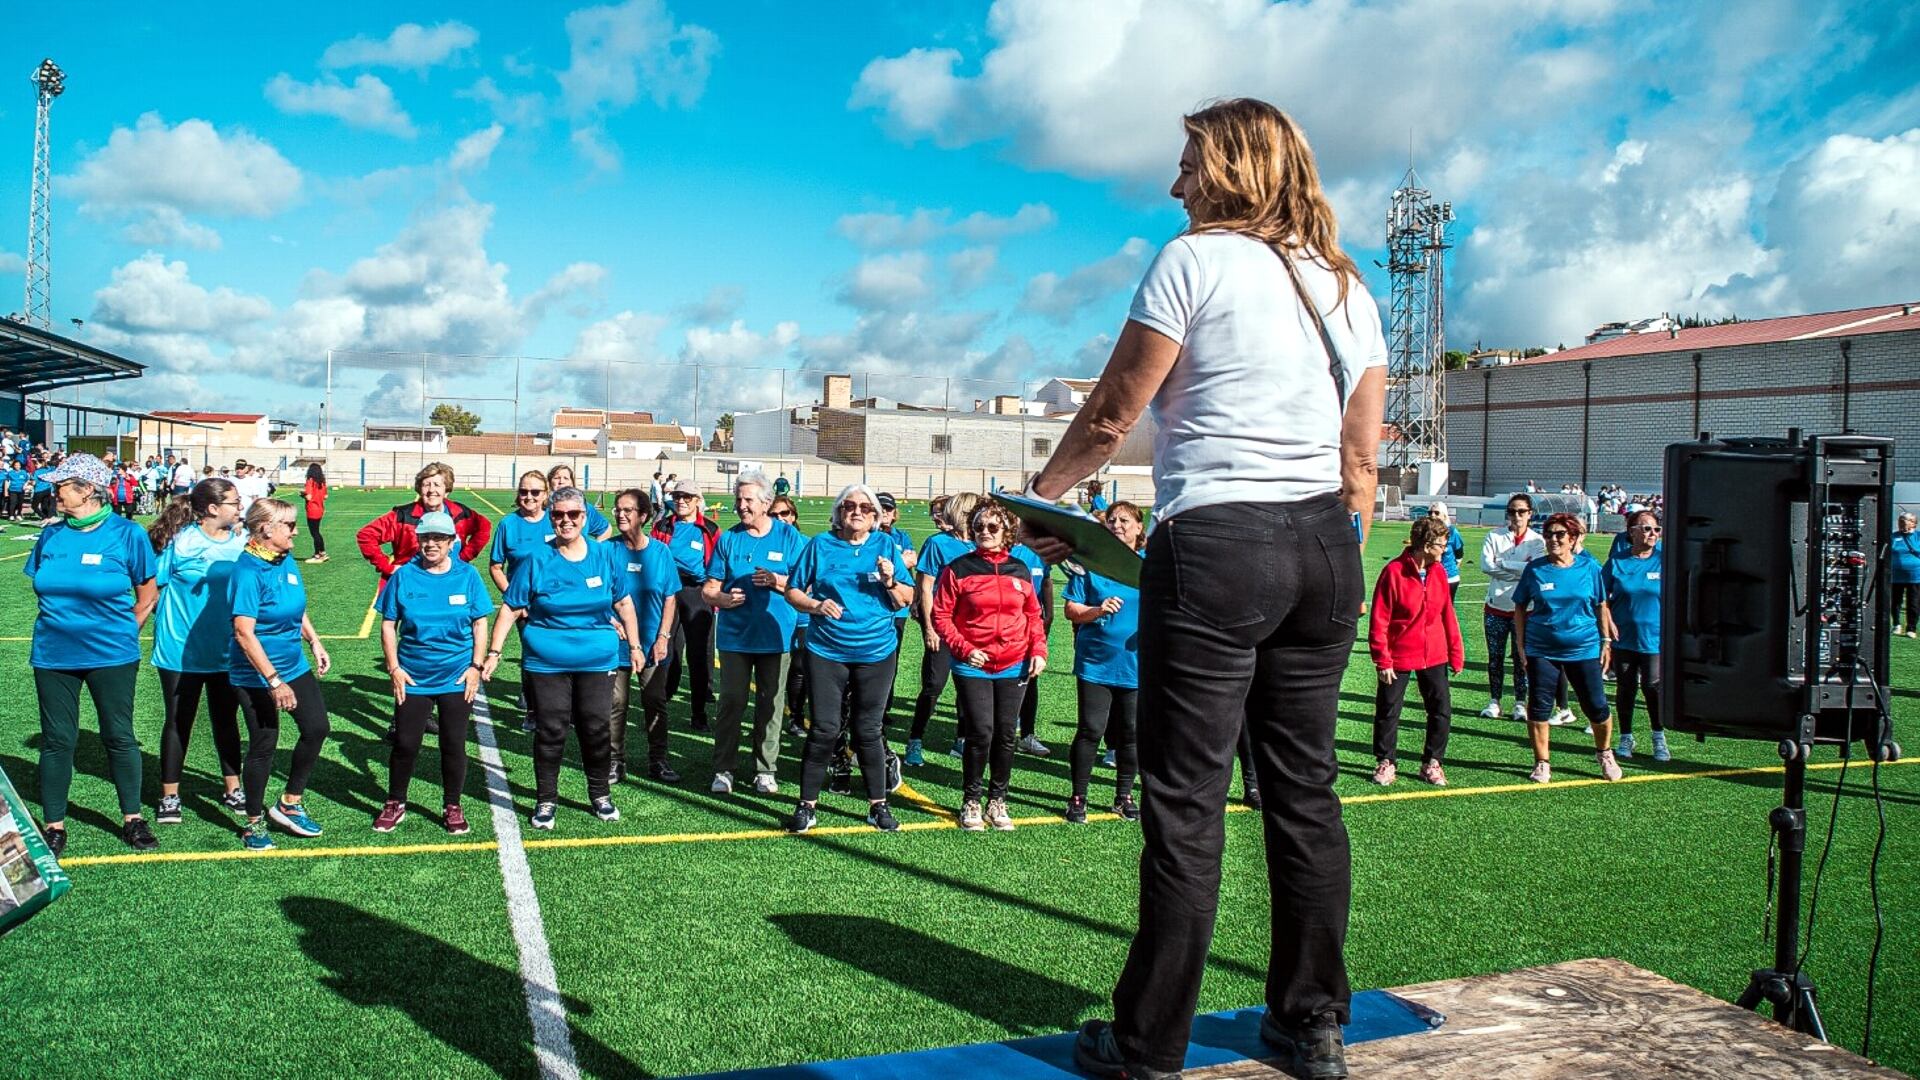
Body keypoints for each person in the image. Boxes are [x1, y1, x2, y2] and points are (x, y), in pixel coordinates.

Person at [1014, 99, 1389, 1080]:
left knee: (1186, 803)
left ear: (1230, 169)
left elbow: (1109, 415)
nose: (1174, 182)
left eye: (1188, 163)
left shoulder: (1193, 261)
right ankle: (1313, 1026)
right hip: (1326, 547)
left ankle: (1147, 1047)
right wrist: (1327, 548)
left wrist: (1034, 505)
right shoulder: (1349, 286)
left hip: (1219, 541)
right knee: (1305, 794)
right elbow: (1363, 459)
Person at [484, 487, 643, 829]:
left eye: (573, 515)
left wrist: (634, 646)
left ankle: (600, 794)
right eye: (558, 515)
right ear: (551, 516)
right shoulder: (536, 559)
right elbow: (511, 608)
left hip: (598, 661)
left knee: (596, 728)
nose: (566, 521)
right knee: (551, 730)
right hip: (547, 662)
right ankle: (546, 800)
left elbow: (624, 603)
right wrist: (494, 652)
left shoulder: (603, 556)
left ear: (585, 518)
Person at [26, 453, 161, 855]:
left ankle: (132, 818)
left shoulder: (127, 533)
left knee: (119, 736)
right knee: (57, 740)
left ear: (87, 490)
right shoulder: (50, 534)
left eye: (61, 486)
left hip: (111, 655)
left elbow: (148, 592)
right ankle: (54, 825)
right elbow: (43, 582)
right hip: (53, 653)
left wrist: (123, 632)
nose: (54, 493)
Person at [783, 483, 915, 834]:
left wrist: (890, 580)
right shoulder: (819, 545)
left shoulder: (886, 546)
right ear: (838, 513)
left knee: (868, 730)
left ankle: (878, 805)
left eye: (865, 508)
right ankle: (806, 806)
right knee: (824, 728)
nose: (856, 512)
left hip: (876, 651)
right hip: (827, 650)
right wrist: (815, 605)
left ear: (875, 517)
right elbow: (792, 590)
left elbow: (906, 598)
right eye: (848, 506)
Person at [373, 511, 492, 834]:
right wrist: (394, 667)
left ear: (452, 542)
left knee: (453, 743)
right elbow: (387, 624)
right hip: (413, 676)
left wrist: (475, 667)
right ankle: (395, 801)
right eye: (426, 538)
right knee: (406, 743)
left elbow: (480, 623)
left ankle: (452, 804)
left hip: (456, 676)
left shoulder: (468, 576)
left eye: (439, 538)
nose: (431, 544)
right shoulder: (404, 576)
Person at [933, 502, 1049, 832]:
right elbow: (941, 615)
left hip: (1014, 664)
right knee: (980, 732)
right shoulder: (958, 569)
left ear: (1006, 533)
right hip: (973, 665)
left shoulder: (1019, 569)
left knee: (1005, 735)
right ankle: (971, 800)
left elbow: (1033, 616)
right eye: (979, 526)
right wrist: (964, 648)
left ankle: (997, 800)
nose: (985, 532)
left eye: (992, 527)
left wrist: (1038, 650)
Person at [229, 498, 334, 850]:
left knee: (317, 727)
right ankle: (254, 823)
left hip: (294, 664)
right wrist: (274, 682)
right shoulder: (247, 571)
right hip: (256, 673)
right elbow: (244, 633)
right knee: (264, 744)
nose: (295, 531)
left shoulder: (284, 559)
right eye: (289, 525)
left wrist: (314, 641)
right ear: (266, 529)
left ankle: (289, 802)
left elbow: (296, 607)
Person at [148, 479, 248, 824]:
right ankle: (170, 796)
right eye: (234, 502)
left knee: (226, 720)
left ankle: (233, 788)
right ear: (212, 509)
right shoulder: (180, 542)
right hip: (179, 652)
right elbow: (151, 591)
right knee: (179, 721)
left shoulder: (243, 544)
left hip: (226, 651)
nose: (240, 508)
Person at [702, 469, 807, 795]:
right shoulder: (729, 539)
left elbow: (806, 586)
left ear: (765, 502)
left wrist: (777, 582)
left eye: (747, 500)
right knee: (731, 701)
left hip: (777, 637)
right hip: (735, 638)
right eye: (738, 499)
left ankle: (765, 769)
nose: (741, 506)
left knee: (771, 704)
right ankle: (724, 769)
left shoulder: (790, 539)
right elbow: (709, 588)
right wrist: (722, 598)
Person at [1513, 512, 1621, 784]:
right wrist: (1521, 645)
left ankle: (1604, 752)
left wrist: (1606, 641)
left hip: (1583, 648)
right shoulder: (1535, 569)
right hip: (1542, 649)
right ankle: (1542, 762)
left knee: (1596, 706)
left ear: (1573, 539)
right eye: (1548, 534)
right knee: (1539, 707)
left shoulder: (1590, 568)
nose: (1553, 539)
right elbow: (1520, 607)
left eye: (1560, 534)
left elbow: (1600, 605)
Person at [1062, 500, 1147, 823]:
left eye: (1125, 520)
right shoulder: (1091, 565)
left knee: (1131, 732)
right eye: (1112, 520)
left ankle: (1124, 796)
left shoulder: (1148, 566)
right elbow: (1072, 609)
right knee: (1090, 729)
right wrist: (1097, 611)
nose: (1118, 525)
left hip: (1136, 664)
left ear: (1139, 527)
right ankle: (1078, 797)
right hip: (1096, 662)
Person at [1366, 516, 1464, 787]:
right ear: (1426, 544)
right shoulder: (1393, 572)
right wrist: (1382, 659)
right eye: (1442, 545)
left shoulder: (1440, 573)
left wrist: (1455, 652)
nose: (1445, 550)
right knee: (1388, 709)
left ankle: (1432, 762)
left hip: (1434, 654)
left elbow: (1447, 614)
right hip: (1398, 655)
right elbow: (1379, 620)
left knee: (1440, 709)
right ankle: (1386, 761)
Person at [609, 489, 681, 784]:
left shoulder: (661, 552)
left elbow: (670, 598)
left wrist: (664, 636)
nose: (621, 515)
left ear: (643, 515)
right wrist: (609, 619)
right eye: (617, 509)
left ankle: (658, 761)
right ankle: (614, 762)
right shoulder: (607, 550)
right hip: (616, 643)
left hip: (652, 642)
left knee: (655, 701)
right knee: (615, 703)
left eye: (628, 510)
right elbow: (598, 592)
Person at [908, 492, 980, 763]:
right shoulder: (937, 544)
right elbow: (925, 587)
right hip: (943, 626)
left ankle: (961, 739)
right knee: (933, 685)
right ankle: (915, 739)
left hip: (973, 630)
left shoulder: (981, 545)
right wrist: (929, 627)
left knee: (969, 686)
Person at [356, 462, 492, 592]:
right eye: (426, 485)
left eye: (437, 485)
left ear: (447, 490)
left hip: (451, 582)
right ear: (420, 489)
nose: (432, 490)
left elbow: (484, 526)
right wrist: (387, 567)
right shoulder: (402, 516)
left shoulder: (460, 513)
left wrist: (464, 556)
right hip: (411, 583)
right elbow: (366, 535)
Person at [1605, 509, 1667, 761]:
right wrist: (1608, 625)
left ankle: (1658, 737)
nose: (1653, 534)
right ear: (1632, 532)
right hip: (1624, 638)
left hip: (1654, 638)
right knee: (1626, 688)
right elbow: (1601, 599)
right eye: (1647, 528)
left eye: (1656, 529)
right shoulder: (1617, 562)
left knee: (1653, 687)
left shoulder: (1665, 560)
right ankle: (1626, 737)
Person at [659, 477, 719, 731]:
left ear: (697, 501)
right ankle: (660, 704)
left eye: (687, 497)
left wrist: (713, 591)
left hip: (697, 593)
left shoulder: (709, 528)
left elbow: (717, 563)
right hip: (669, 593)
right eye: (677, 497)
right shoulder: (662, 525)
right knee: (666, 651)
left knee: (698, 655)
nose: (681, 501)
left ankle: (698, 712)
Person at [1480, 493, 1546, 722]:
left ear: (1530, 514)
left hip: (1525, 609)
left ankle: (1520, 702)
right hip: (1495, 607)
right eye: (1512, 511)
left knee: (1522, 658)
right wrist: (1519, 570)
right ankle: (1494, 700)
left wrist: (1505, 564)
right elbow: (1486, 565)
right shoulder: (1494, 535)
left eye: (1521, 511)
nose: (1516, 516)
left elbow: (1535, 569)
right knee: (1495, 657)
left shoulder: (1537, 541)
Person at [769, 495, 810, 735]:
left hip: (803, 615)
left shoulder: (807, 543)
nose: (780, 518)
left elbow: (809, 584)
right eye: (774, 514)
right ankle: (771, 715)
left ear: (793, 516)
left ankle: (796, 716)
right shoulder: (764, 542)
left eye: (785, 513)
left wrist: (776, 581)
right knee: (774, 668)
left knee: (800, 666)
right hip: (773, 615)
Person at [546, 464, 612, 540]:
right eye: (557, 478)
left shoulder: (585, 508)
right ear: (550, 483)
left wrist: (595, 550)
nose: (561, 481)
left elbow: (606, 529)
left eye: (566, 478)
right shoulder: (541, 509)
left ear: (572, 483)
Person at [1891, 511, 1920, 638]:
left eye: (1905, 520)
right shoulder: (1893, 536)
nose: (1901, 523)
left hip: (1915, 576)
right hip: (1896, 575)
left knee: (1913, 602)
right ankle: (1896, 624)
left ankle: (1911, 628)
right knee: (1895, 601)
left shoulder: (1918, 536)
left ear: (1913, 523)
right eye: (1900, 520)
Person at [1428, 502, 1465, 598]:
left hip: (1449, 578)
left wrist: (1450, 569)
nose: (1432, 515)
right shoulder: (1426, 532)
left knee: (1446, 609)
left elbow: (1459, 554)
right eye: (1430, 512)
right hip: (1430, 577)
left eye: (1436, 513)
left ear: (1444, 515)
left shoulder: (1452, 532)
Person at [301, 463, 330, 563]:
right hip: (320, 508)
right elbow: (326, 496)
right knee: (316, 531)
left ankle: (321, 553)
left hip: (312, 509)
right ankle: (318, 553)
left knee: (315, 533)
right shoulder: (322, 482)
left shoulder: (310, 481)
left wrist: (302, 494)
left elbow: (308, 497)